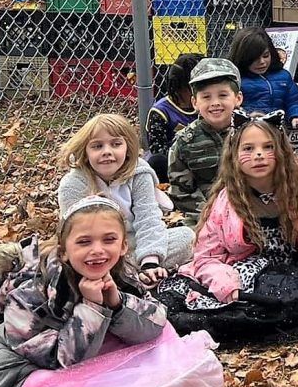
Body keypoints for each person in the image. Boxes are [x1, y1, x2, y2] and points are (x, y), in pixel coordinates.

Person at [156, 115, 298, 344]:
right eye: (248, 148)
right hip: (242, 275)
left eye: (268, 147)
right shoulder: (227, 199)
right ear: (234, 155)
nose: (258, 155)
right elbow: (206, 257)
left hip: (289, 277)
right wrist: (228, 286)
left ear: (282, 151)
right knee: (192, 310)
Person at [0, 197, 167, 387]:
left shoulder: (122, 272)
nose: (97, 250)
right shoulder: (29, 293)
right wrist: (92, 307)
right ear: (64, 252)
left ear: (123, 246)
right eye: (84, 242)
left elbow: (156, 324)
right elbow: (61, 361)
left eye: (109, 240)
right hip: (24, 365)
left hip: (80, 347)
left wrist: (117, 303)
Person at [57, 114, 195, 287]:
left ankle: (135, 273)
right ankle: (120, 275)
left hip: (133, 245)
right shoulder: (73, 184)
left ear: (128, 148)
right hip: (96, 249)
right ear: (85, 151)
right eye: (97, 146)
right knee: (56, 259)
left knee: (186, 237)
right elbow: (72, 233)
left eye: (116, 144)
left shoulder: (139, 174)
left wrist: (150, 262)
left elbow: (148, 219)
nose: (107, 151)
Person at [167, 58, 244, 225]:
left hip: (251, 209)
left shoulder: (253, 133)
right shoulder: (185, 142)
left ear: (237, 98)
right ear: (195, 102)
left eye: (223, 95)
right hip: (204, 217)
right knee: (186, 240)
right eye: (206, 97)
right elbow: (182, 192)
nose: (215, 103)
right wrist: (212, 217)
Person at [228, 27, 298, 130]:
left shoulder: (283, 76)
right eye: (254, 58)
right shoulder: (236, 81)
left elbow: (294, 101)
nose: (262, 62)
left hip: (281, 129)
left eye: (265, 56)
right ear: (243, 58)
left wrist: (296, 116)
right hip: (249, 130)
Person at [145, 53, 201, 182]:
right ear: (179, 86)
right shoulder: (161, 112)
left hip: (206, 157)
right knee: (158, 161)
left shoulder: (208, 105)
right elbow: (158, 150)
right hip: (176, 163)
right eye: (196, 86)